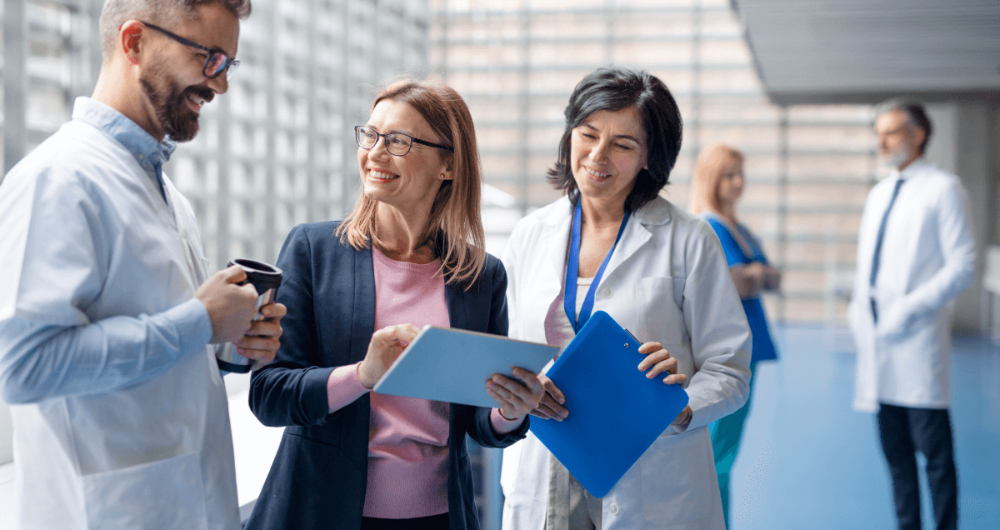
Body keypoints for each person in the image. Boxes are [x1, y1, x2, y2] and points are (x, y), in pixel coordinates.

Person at [0, 0, 287, 528]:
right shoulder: (58, 181)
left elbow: (153, 342)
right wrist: (198, 321)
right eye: (208, 57)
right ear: (134, 41)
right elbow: (24, 368)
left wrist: (228, 341)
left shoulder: (171, 197)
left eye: (227, 64)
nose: (219, 85)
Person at [244, 79, 545, 530]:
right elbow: (269, 395)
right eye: (370, 135)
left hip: (439, 517)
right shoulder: (313, 250)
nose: (376, 152)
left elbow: (479, 421)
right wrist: (364, 375)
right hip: (321, 511)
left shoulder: (481, 276)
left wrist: (510, 409)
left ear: (448, 165)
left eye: (399, 141)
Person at [499, 67, 752, 530]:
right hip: (547, 462)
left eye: (622, 144)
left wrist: (681, 406)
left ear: (649, 157)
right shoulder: (530, 235)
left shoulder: (688, 239)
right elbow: (507, 351)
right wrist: (520, 389)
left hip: (651, 468)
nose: (598, 155)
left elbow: (730, 370)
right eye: (588, 134)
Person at [848, 100, 975, 530]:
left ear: (918, 134)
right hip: (877, 344)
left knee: (935, 459)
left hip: (917, 342)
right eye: (879, 134)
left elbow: (962, 265)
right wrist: (858, 312)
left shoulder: (943, 188)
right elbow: (870, 264)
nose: (882, 142)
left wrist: (908, 308)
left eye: (891, 132)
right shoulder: (880, 192)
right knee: (897, 458)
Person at [689, 143, 780, 526]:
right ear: (711, 179)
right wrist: (755, 275)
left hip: (748, 350)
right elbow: (735, 283)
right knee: (717, 454)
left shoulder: (737, 229)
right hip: (726, 353)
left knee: (726, 449)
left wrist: (753, 275)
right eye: (728, 174)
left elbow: (768, 277)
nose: (738, 182)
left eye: (741, 173)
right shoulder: (708, 226)